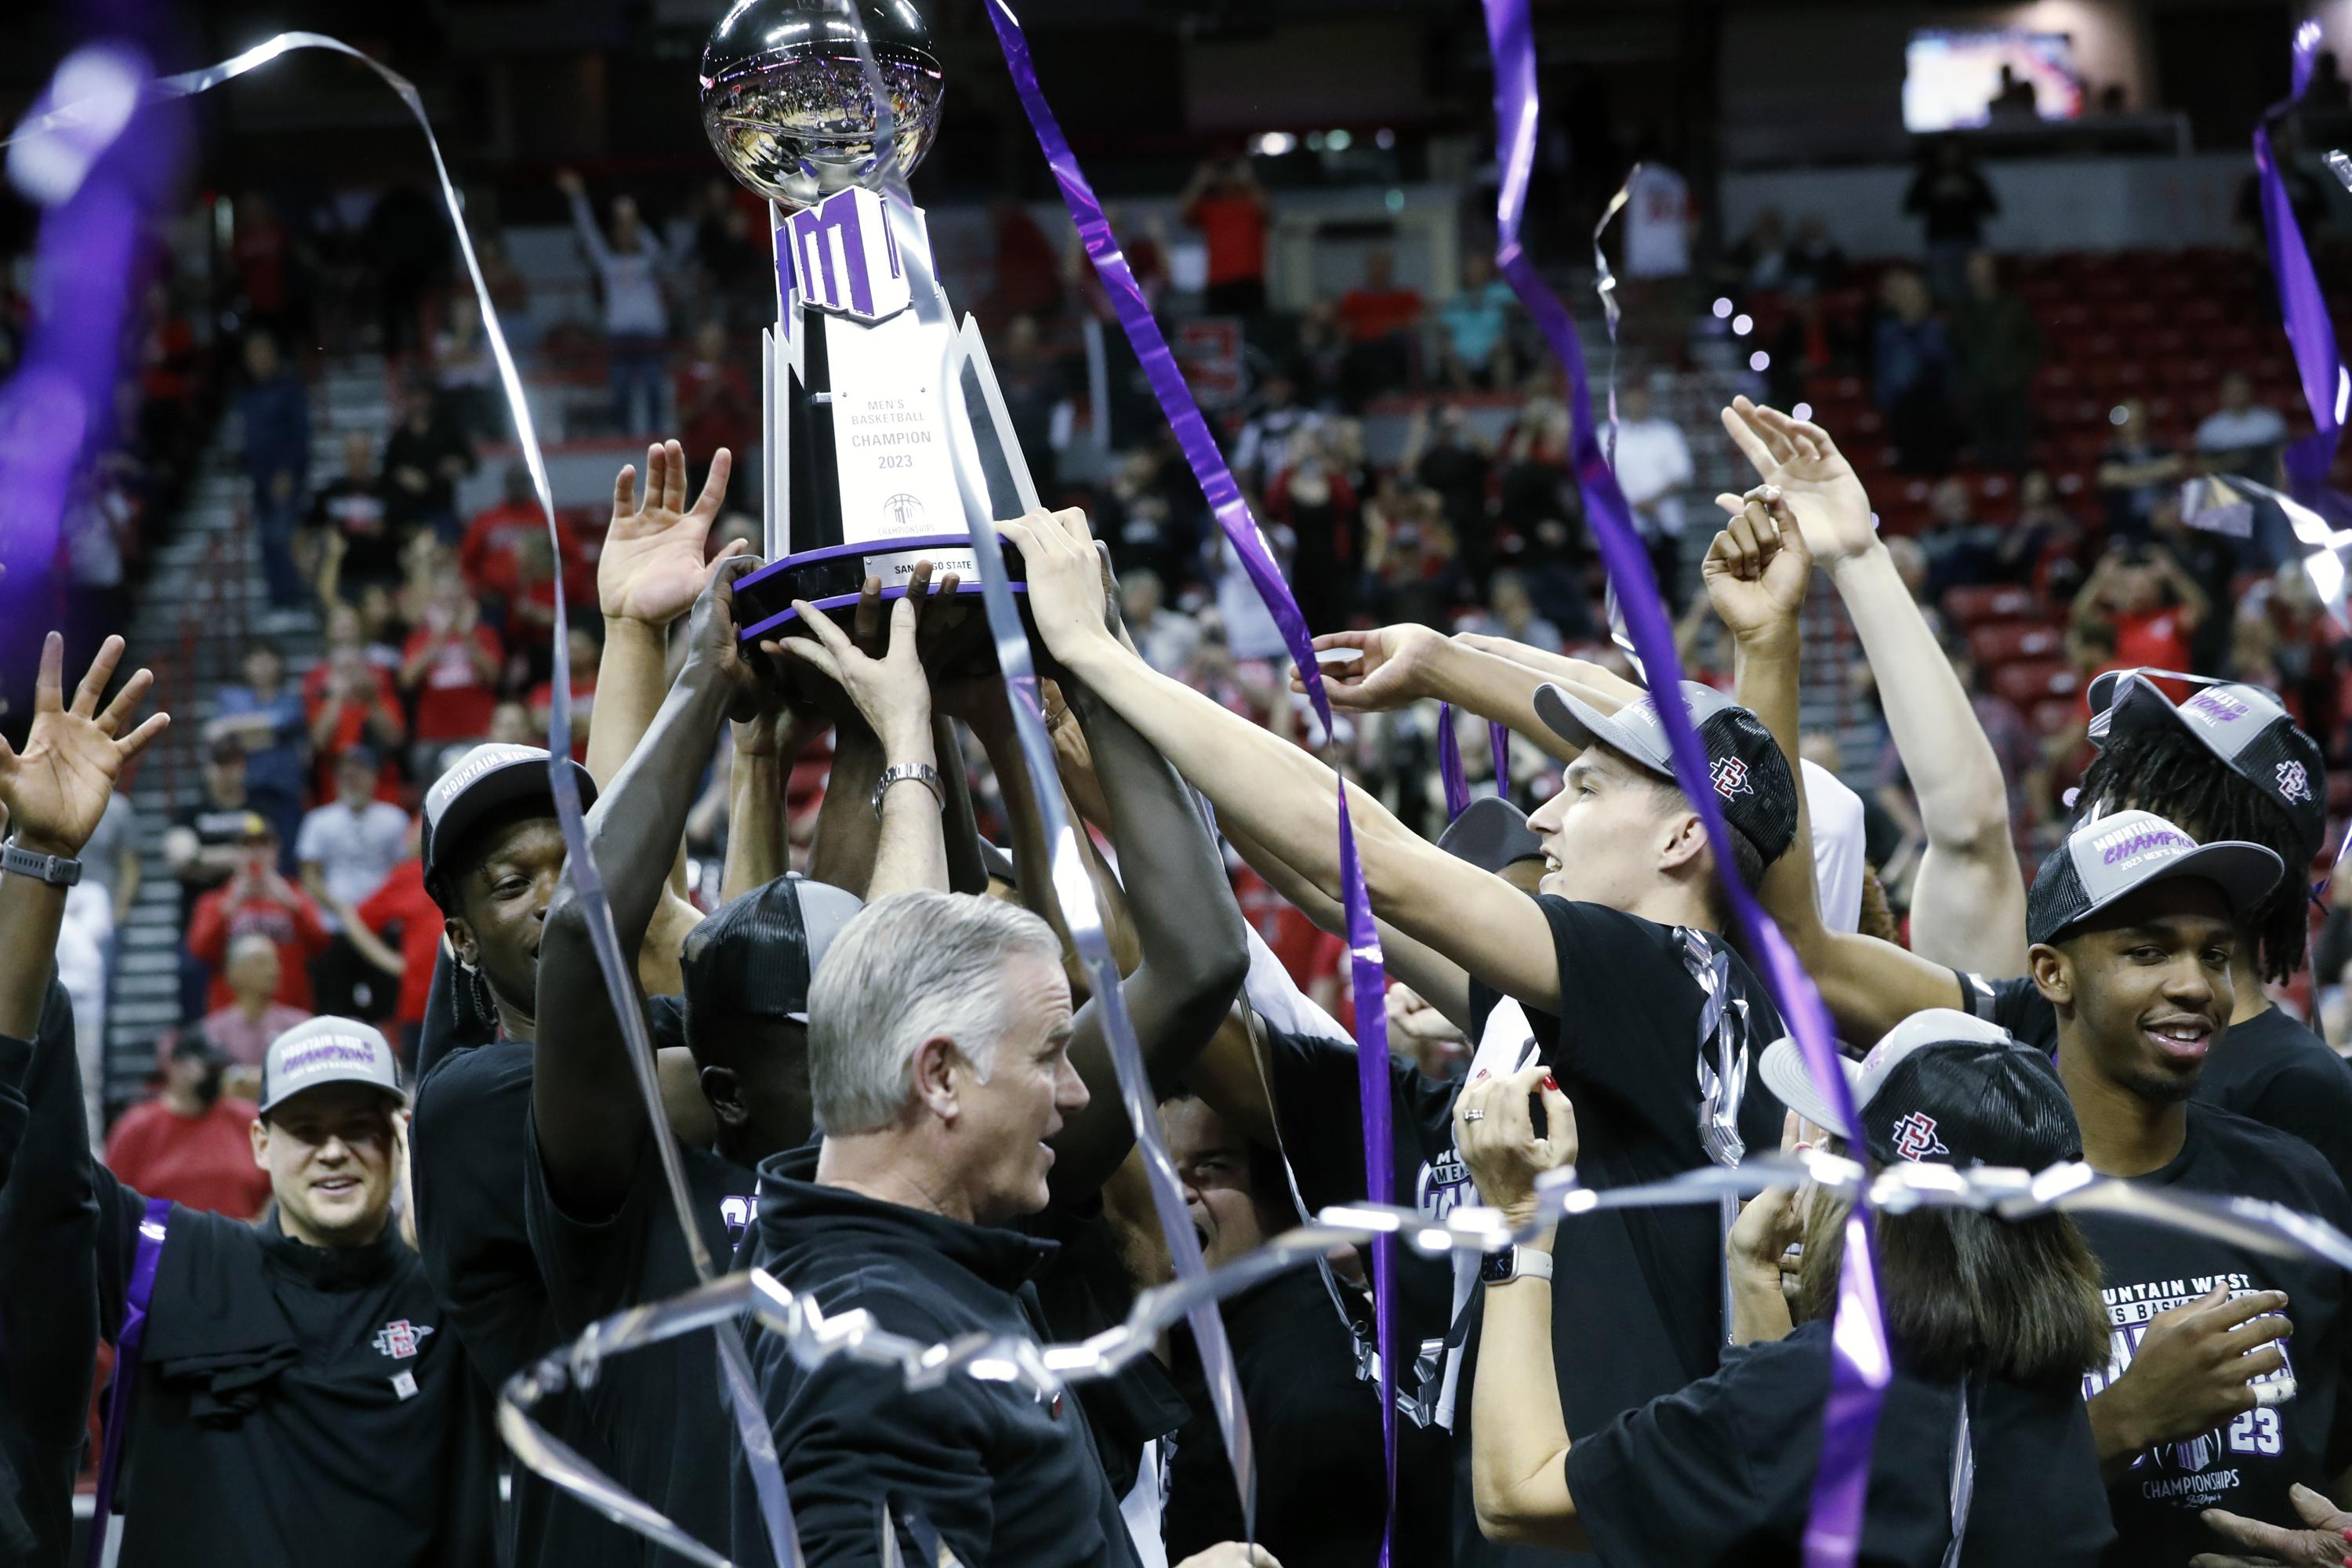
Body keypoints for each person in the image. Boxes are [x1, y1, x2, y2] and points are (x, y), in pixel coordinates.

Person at [997, 505, 1798, 1567]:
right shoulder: (1661, 1020)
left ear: (1685, 834)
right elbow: (1328, 888)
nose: (1547, 818)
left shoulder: (1677, 977)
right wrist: (1107, 749)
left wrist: (1097, 651)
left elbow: (1365, 858)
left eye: (1585, 787)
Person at [0, 631, 497, 1567]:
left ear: (399, 1138)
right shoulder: (171, 1259)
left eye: (360, 1124)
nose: (336, 1148)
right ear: (259, 1141)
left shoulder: (464, 1300)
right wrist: (38, 860)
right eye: (307, 1128)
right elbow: (38, 1153)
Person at [1455, 1016, 2115, 1566]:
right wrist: (1754, 1276)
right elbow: (1780, 1491)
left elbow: (1515, 1496)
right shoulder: (2041, 1389)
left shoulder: (1820, 1387)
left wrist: (1519, 1225)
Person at [741, 891, 1258, 1568]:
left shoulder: (899, 1261)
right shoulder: (881, 1351)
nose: (1075, 1092)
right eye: (1048, 1057)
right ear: (940, 1077)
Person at [1156, 1091, 1387, 1568]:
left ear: (1280, 1199)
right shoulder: (1206, 1322)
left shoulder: (1308, 1393)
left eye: (1212, 1168)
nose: (1177, 1193)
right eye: (1160, 1170)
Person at [103, 1032, 271, 1218]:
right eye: (207, 1067)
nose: (215, 1075)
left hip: (238, 1240)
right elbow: (113, 1204)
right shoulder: (137, 1129)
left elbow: (281, 1187)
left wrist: (258, 1230)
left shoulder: (248, 1120)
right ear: (176, 1067)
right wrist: (154, 1244)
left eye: (218, 1067)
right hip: (160, 1241)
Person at [298, 746, 412, 1017]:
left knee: (387, 1004)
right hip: (336, 926)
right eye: (346, 774)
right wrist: (339, 907)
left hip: (382, 926)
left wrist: (377, 908)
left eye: (360, 774)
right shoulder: (319, 820)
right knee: (335, 1005)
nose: (353, 779)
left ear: (374, 778)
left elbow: (402, 871)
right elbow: (310, 874)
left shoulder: (393, 819)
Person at [558, 169, 671, 435]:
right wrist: (578, 198)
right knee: (620, 389)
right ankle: (625, 435)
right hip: (620, 334)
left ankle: (655, 434)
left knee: (654, 387)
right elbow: (587, 231)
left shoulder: (648, 258)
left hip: (650, 331)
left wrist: (632, 219)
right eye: (620, 230)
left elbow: (656, 248)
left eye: (628, 230)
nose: (625, 234)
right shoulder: (607, 262)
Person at [186, 817, 331, 1014]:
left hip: (290, 1012)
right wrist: (229, 907)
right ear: (235, 854)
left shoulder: (297, 896)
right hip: (233, 1017)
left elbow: (321, 944)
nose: (256, 853)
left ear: (276, 851)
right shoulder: (213, 902)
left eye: (263, 845)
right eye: (247, 846)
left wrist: (293, 906)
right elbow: (200, 951)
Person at [237, 329, 310, 613]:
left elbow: (301, 435)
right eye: (253, 354)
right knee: (267, 542)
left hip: (286, 480)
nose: (259, 359)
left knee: (285, 538)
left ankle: (294, 601)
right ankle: (278, 603)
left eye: (264, 352)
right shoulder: (249, 395)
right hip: (259, 483)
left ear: (275, 355)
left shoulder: (290, 389)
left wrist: (289, 471)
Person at [1950, 250, 2039, 473]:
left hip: (2011, 391)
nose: (1979, 274)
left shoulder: (2014, 305)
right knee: (1985, 456)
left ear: (1993, 271)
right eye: (1974, 270)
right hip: (1977, 394)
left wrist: (2017, 374)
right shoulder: (1960, 310)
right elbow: (1955, 352)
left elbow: (2033, 345)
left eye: (1983, 268)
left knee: (2017, 454)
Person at [1610, 383, 1696, 608]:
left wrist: (1652, 500)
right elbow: (1600, 476)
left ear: (1649, 399)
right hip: (1626, 527)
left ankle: (1673, 640)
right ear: (1624, 399)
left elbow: (1682, 474)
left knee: (1668, 591)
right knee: (1630, 594)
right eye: (1632, 396)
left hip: (1664, 524)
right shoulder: (1608, 434)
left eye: (1641, 396)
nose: (1637, 401)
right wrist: (1632, 502)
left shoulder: (1668, 433)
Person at [198, 931, 313, 1075]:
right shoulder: (213, 1032)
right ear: (233, 972)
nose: (274, 970)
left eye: (276, 961)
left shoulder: (301, 1026)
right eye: (261, 962)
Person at [1904, 137, 1998, 303]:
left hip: (1969, 239)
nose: (1950, 155)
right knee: (1942, 292)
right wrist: (1934, 194)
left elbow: (1992, 208)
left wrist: (1967, 193)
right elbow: (1910, 207)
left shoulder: (1971, 176)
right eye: (1946, 151)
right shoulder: (1928, 177)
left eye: (1954, 151)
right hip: (1939, 241)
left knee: (1973, 290)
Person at [382, 376, 476, 540]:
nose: (418, 401)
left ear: (430, 398)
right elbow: (387, 474)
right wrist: (402, 477)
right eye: (413, 396)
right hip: (408, 512)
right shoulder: (399, 438)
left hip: (440, 508)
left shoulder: (447, 431)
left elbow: (471, 463)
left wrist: (457, 464)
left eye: (422, 396)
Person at [310, 429, 396, 606]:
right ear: (345, 456)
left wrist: (385, 530)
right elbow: (304, 530)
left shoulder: (388, 492)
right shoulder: (330, 493)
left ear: (370, 455)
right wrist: (306, 563)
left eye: (363, 454)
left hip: (382, 575)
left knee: (378, 607)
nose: (358, 460)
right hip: (340, 577)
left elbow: (405, 529)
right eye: (353, 454)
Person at [1179, 154, 1271, 318]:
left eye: (1230, 171)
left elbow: (1268, 213)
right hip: (1219, 282)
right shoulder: (1210, 206)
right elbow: (1185, 214)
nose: (1226, 177)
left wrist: (1249, 179)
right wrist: (1200, 181)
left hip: (1249, 282)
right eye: (1222, 172)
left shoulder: (1250, 202)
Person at [2094, 397, 2183, 541]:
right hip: (2127, 524)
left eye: (2137, 419)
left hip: (2164, 517)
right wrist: (2159, 470)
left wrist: (2127, 476)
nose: (2134, 425)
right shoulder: (2113, 455)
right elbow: (2108, 478)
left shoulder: (2160, 449)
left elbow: (2177, 466)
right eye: (2127, 420)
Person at [1437, 251, 1517, 388]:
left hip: (1492, 350)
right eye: (1472, 269)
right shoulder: (1457, 299)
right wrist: (1445, 344)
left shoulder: (1499, 291)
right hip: (1462, 353)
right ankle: (1468, 399)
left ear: (1486, 271)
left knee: (1503, 352)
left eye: (1479, 268)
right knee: (1448, 354)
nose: (1475, 272)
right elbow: (1444, 327)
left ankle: (1502, 397)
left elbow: (1521, 305)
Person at [2194, 371, 2289, 479]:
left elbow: (2283, 461)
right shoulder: (2210, 428)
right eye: (2232, 390)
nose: (2237, 394)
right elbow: (2202, 466)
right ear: (2222, 393)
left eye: (2240, 389)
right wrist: (2227, 464)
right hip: (2225, 488)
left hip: (2265, 486)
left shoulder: (2271, 422)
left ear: (2250, 390)